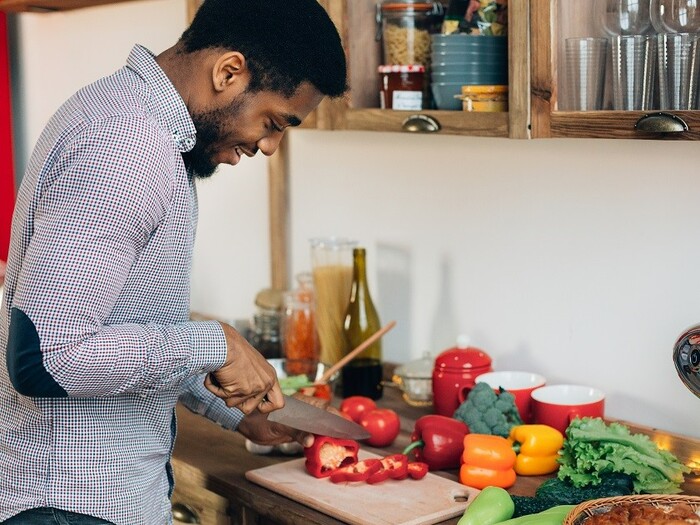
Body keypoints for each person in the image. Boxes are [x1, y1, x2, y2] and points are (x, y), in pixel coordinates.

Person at [0, 1, 347, 524]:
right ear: (228, 72)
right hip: (71, 507)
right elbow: (45, 357)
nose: (270, 146)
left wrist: (236, 414)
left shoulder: (123, 117)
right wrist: (214, 342)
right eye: (273, 121)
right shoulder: (127, 147)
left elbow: (124, 328)